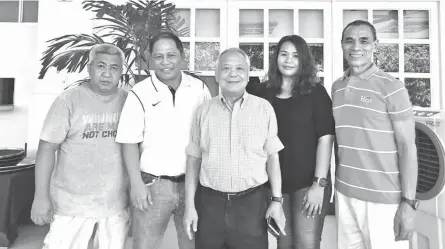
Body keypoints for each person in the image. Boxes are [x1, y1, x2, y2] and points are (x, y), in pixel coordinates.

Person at [115, 31, 211, 249]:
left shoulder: (199, 89)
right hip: (152, 186)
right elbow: (128, 142)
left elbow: (208, 134)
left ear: (182, 56)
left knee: (193, 244)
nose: (165, 62)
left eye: (171, 55)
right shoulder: (139, 92)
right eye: (159, 57)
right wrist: (137, 184)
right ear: (150, 59)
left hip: (192, 185)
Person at [183, 47, 286, 249]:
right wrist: (190, 206)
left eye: (240, 68)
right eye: (226, 68)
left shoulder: (264, 108)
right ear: (217, 75)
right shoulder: (203, 111)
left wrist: (276, 200)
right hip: (209, 204)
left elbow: (273, 158)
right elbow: (194, 159)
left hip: (252, 204)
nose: (233, 73)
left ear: (248, 75)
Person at [30, 43, 129, 249]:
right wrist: (40, 197)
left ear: (121, 72)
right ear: (89, 68)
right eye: (101, 66)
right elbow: (47, 149)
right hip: (72, 205)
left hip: (115, 205)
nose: (107, 74)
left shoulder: (128, 101)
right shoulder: (68, 101)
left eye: (114, 68)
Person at [332, 20, 418, 249]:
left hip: (384, 200)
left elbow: (407, 146)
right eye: (349, 40)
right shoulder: (337, 87)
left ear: (375, 45)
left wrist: (408, 203)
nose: (356, 47)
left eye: (364, 41)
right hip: (344, 193)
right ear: (341, 45)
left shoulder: (392, 87)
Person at [256, 35, 335, 249]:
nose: (289, 60)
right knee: (284, 242)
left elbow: (326, 139)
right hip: (275, 184)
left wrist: (319, 185)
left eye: (295, 55)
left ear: (304, 61)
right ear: (276, 58)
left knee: (306, 244)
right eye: (284, 54)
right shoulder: (262, 92)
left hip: (308, 184)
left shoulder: (316, 92)